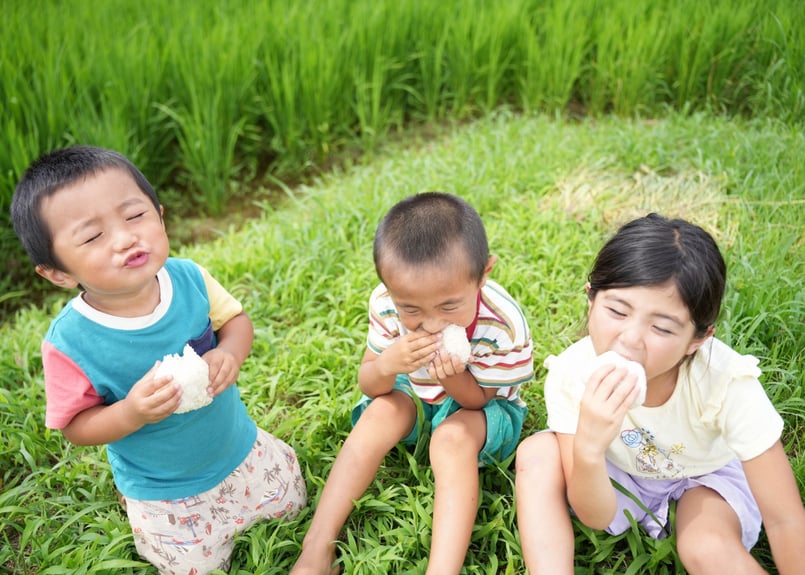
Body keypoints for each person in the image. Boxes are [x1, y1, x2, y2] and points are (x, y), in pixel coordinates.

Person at [10, 146, 307, 574]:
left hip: (239, 447)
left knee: (294, 503)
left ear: (161, 216)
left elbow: (235, 321)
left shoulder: (188, 278)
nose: (126, 238)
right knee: (195, 567)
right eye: (93, 237)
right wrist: (131, 412)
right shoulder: (71, 342)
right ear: (58, 272)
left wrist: (228, 352)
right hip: (165, 490)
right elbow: (75, 427)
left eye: (135, 216)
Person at [515, 213, 805, 574]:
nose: (631, 338)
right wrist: (588, 449)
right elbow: (595, 515)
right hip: (617, 473)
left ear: (698, 339)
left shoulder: (726, 383)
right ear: (591, 299)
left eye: (663, 328)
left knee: (705, 545)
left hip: (706, 477)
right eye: (617, 311)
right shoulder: (572, 374)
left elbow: (785, 519)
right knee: (537, 453)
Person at [290, 192, 533, 574]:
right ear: (389, 289)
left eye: (449, 306)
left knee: (450, 439)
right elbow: (370, 384)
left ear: (483, 274)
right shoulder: (386, 304)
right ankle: (317, 546)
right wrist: (388, 363)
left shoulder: (502, 323)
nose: (432, 322)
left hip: (482, 411)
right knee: (381, 412)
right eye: (411, 309)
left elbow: (478, 400)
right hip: (417, 396)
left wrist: (451, 373)